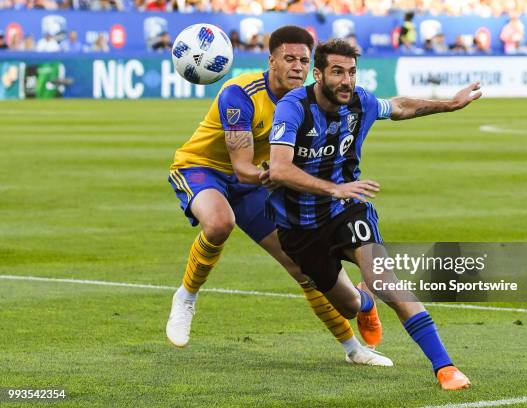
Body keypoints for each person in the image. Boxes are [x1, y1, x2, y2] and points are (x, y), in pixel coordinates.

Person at [166, 26, 390, 366]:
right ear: (271, 61)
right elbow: (241, 168)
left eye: (303, 60)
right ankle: (186, 297)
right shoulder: (239, 94)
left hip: (257, 181)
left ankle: (352, 348)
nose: (297, 67)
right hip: (203, 168)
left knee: (302, 267)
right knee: (219, 222)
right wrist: (277, 176)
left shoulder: (306, 102)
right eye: (289, 59)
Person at [265, 39, 481, 390]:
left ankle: (445, 367)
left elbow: (398, 106)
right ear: (317, 74)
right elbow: (278, 169)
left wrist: (449, 104)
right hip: (298, 227)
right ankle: (365, 301)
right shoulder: (294, 107)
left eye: (351, 72)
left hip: (347, 209)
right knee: (348, 306)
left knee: (386, 280)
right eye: (337, 72)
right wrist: (332, 187)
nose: (346, 80)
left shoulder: (360, 102)